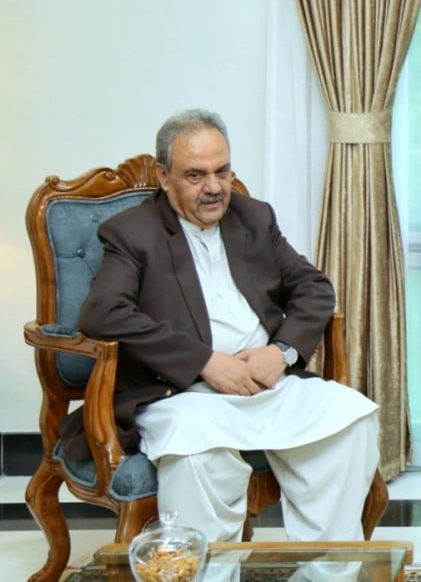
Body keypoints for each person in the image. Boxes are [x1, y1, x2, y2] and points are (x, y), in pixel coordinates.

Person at [69, 109, 380, 546]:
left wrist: (281, 352)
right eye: (195, 175)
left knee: (350, 420)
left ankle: (327, 570)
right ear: (163, 176)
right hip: (184, 394)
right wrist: (205, 362)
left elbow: (314, 288)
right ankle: (209, 572)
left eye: (222, 171)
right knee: (198, 454)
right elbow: (103, 313)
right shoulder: (132, 232)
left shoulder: (254, 217)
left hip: (266, 384)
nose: (214, 187)